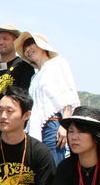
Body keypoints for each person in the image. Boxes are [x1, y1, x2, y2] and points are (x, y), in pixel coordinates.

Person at [14, 31, 80, 165]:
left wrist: (64, 125)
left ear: (42, 46)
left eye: (31, 44)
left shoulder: (57, 63)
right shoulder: (35, 76)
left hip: (54, 123)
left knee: (54, 165)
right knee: (39, 167)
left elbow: (68, 95)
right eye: (25, 49)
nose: (28, 50)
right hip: (35, 127)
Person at [0, 25, 35, 137]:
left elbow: (22, 98)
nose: (0, 42)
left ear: (15, 42)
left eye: (5, 39)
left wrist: (0, 115)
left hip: (13, 131)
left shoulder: (24, 68)